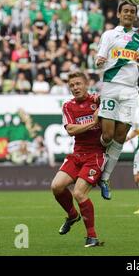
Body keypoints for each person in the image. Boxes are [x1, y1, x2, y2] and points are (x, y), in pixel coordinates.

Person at [95, 1, 139, 200]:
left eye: (132, 12)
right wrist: (99, 61)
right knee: (108, 135)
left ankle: (104, 178)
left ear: (135, 16)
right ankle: (93, 160)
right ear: (119, 14)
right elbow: (99, 59)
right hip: (111, 87)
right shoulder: (109, 35)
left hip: (130, 92)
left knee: (120, 136)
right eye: (125, 11)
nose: (129, 14)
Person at [50, 71, 105, 248]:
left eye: (78, 84)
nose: (75, 88)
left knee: (79, 193)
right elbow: (71, 130)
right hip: (77, 154)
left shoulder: (97, 101)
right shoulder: (68, 106)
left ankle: (92, 237)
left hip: (95, 155)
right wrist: (93, 122)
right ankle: (73, 215)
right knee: (56, 186)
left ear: (86, 84)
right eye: (72, 85)